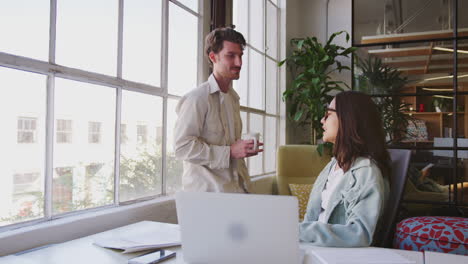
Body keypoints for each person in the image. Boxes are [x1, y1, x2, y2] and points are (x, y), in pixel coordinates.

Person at [174, 27, 262, 193]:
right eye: (231, 56)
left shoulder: (233, 98)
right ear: (213, 57)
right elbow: (181, 147)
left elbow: (231, 148)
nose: (239, 63)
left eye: (240, 56)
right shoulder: (197, 98)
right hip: (208, 199)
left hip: (237, 193)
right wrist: (229, 152)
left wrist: (241, 149)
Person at [299, 91, 391, 247]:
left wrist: (299, 232)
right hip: (311, 247)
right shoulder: (332, 166)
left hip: (335, 255)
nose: (322, 120)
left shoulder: (366, 172)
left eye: (328, 114)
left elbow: (359, 234)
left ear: (347, 119)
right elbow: (313, 218)